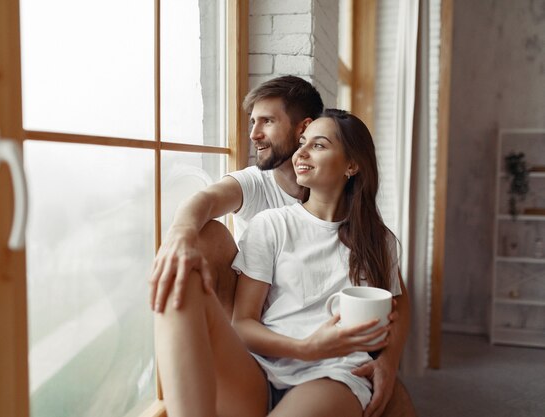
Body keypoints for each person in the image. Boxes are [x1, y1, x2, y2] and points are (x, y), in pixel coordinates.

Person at [150, 76, 413, 417]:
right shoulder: (269, 222)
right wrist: (179, 237)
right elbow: (242, 323)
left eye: (317, 145)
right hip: (260, 367)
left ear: (351, 165)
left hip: (333, 374)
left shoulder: (378, 240)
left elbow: (398, 304)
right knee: (180, 274)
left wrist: (388, 363)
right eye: (303, 143)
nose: (301, 152)